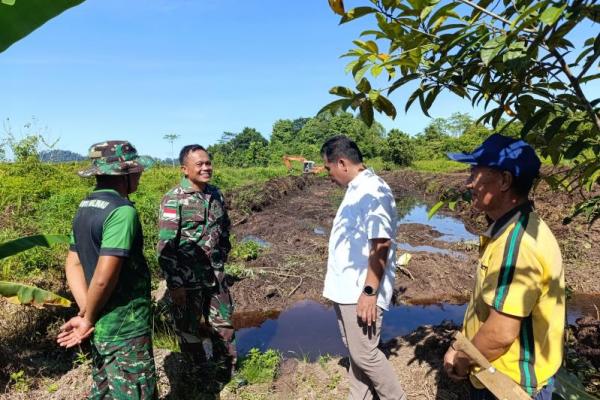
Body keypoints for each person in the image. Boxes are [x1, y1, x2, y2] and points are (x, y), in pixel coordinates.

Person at [443, 134, 565, 399]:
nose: (468, 183)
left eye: (475, 174)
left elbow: (500, 333)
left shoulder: (517, 245)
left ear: (505, 181)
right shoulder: (518, 229)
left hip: (509, 386)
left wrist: (462, 359)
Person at [57, 140, 157, 399]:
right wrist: (88, 317)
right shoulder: (122, 212)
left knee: (104, 390)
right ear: (124, 174)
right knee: (134, 391)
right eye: (137, 170)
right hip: (126, 324)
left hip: (101, 323)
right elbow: (104, 277)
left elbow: (74, 263)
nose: (140, 174)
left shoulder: (85, 207)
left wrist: (87, 311)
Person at [321, 135, 406, 400]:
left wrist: (369, 293)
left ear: (342, 163)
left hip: (359, 290)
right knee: (356, 352)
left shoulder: (373, 191)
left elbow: (381, 243)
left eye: (328, 168)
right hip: (346, 290)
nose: (328, 174)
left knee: (365, 354)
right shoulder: (356, 189)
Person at [157, 144, 235, 391]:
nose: (206, 168)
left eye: (208, 163)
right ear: (184, 169)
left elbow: (224, 230)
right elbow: (165, 246)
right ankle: (200, 377)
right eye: (199, 164)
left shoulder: (216, 194)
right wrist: (175, 283)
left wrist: (222, 255)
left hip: (215, 276)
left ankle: (225, 375)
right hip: (187, 280)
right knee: (189, 331)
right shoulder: (174, 199)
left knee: (223, 326)